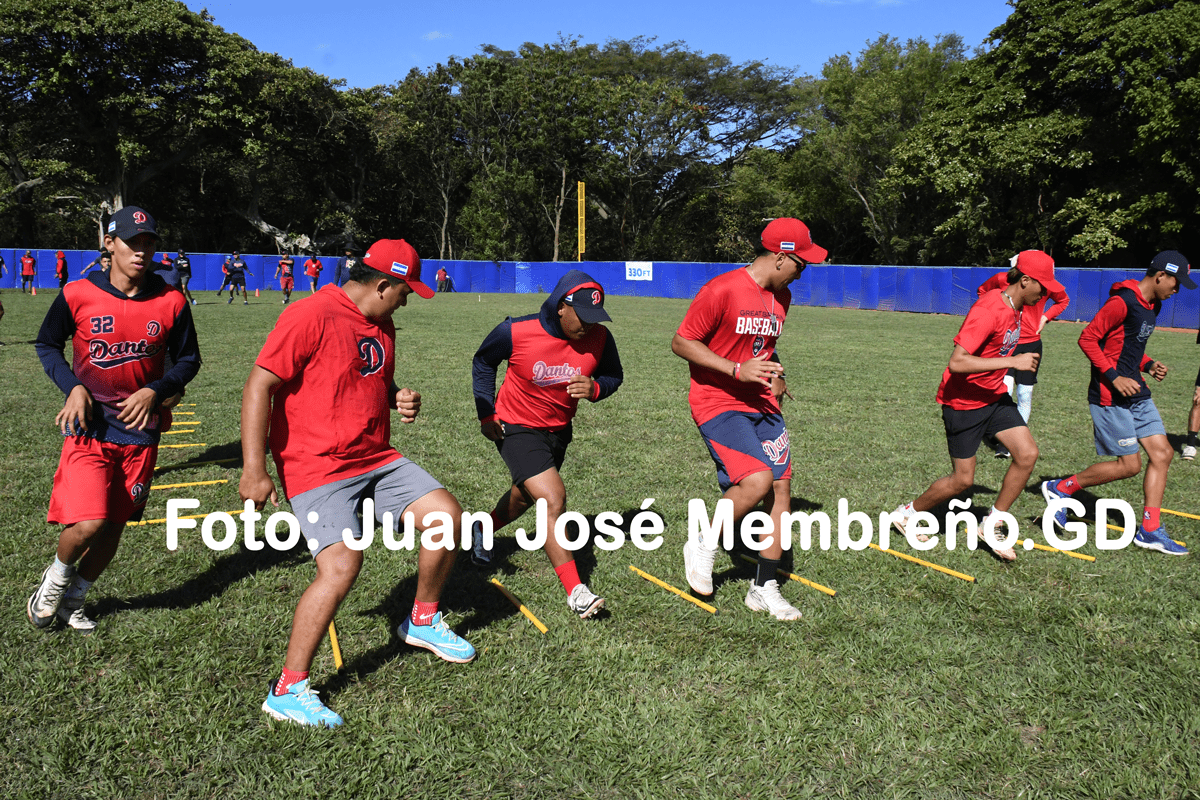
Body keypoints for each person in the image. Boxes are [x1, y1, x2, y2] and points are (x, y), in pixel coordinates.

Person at [240, 237, 474, 728]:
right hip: (317, 466)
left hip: (376, 458)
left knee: (448, 519)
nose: (407, 300)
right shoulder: (311, 314)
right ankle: (288, 690)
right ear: (383, 284)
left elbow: (372, 378)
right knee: (342, 566)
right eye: (405, 291)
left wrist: (397, 396)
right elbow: (260, 384)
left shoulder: (382, 323)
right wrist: (254, 469)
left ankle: (423, 619)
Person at [27, 206, 201, 633]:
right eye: (132, 242)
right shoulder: (77, 293)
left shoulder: (172, 300)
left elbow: (188, 360)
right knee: (90, 523)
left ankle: (74, 599)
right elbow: (47, 343)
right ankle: (55, 580)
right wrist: (73, 387)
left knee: (114, 527)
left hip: (141, 432)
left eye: (149, 242)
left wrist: (157, 390)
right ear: (109, 244)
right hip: (90, 428)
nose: (141, 251)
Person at [673, 218, 823, 620]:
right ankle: (704, 543)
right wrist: (735, 370)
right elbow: (682, 342)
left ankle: (763, 588)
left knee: (781, 489)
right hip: (718, 400)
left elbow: (764, 348)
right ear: (780, 257)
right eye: (801, 263)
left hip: (762, 402)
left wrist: (777, 373)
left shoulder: (783, 296)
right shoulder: (721, 289)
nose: (803, 272)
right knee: (756, 481)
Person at [891, 250, 1062, 561]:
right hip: (964, 403)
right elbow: (957, 362)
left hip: (993, 396)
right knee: (962, 480)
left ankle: (991, 523)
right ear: (1025, 281)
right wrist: (1013, 361)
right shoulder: (988, 310)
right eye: (1044, 286)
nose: (1046, 294)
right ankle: (906, 514)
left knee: (1027, 454)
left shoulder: (1018, 306)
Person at [470, 270, 623, 618]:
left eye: (595, 317)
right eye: (582, 317)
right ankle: (577, 592)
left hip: (559, 431)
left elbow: (614, 375)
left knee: (526, 496)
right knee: (552, 498)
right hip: (515, 427)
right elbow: (483, 361)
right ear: (560, 306)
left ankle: (482, 527)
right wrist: (486, 413)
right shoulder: (515, 331)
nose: (588, 325)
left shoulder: (600, 338)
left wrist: (596, 388)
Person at [1042, 250, 1195, 556]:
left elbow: (1128, 346)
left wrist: (1148, 364)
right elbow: (1088, 338)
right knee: (1129, 465)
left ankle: (1150, 530)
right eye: (1175, 282)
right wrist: (1114, 377)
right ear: (1160, 275)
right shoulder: (1122, 302)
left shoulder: (1153, 305)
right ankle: (1060, 488)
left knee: (1163, 453)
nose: (1177, 289)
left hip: (1136, 391)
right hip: (1110, 394)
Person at [976, 262, 1070, 458]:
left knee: (1025, 394)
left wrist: (1045, 317)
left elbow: (1063, 300)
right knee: (1005, 389)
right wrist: (995, 315)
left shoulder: (1047, 285)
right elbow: (982, 291)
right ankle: (1000, 437)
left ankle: (1013, 441)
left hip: (1032, 345)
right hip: (1008, 341)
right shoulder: (1002, 279)